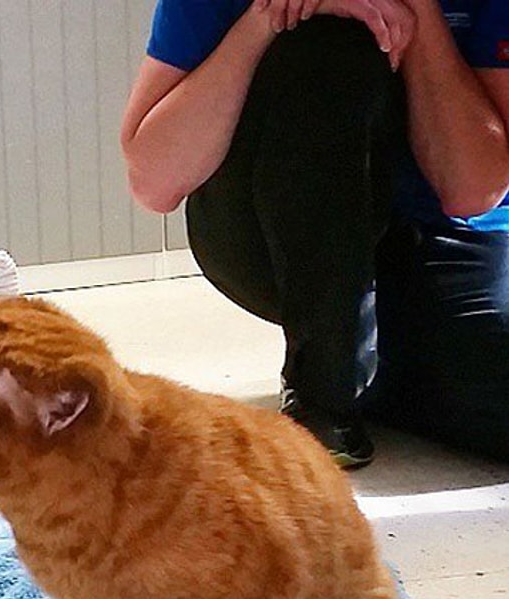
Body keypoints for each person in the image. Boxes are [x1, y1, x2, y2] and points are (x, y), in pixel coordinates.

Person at [122, 0, 509, 467]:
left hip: (439, 240)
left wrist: (417, 12)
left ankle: (382, 367)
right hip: (273, 230)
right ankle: (325, 388)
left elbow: (475, 191)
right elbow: (155, 182)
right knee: (331, 44)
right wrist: (269, 15)